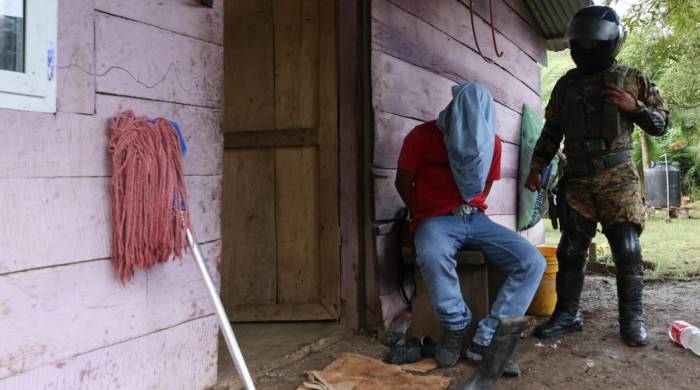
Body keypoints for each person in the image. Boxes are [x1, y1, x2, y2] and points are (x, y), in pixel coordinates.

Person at [525, 5, 670, 347]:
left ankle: (632, 320)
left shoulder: (633, 78)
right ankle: (567, 315)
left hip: (617, 175)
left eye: (595, 42)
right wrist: (535, 167)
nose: (588, 47)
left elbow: (662, 124)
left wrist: (634, 108)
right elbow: (551, 131)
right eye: (582, 42)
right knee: (570, 250)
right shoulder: (566, 85)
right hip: (576, 178)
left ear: (611, 42)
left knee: (626, 247)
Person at [396, 83, 545, 374]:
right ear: (452, 109)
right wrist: (424, 213)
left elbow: (486, 185)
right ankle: (455, 325)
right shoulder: (422, 136)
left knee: (532, 262)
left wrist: (470, 210)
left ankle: (487, 341)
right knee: (431, 251)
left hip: (476, 219)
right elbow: (403, 181)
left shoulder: (494, 143)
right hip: (435, 219)